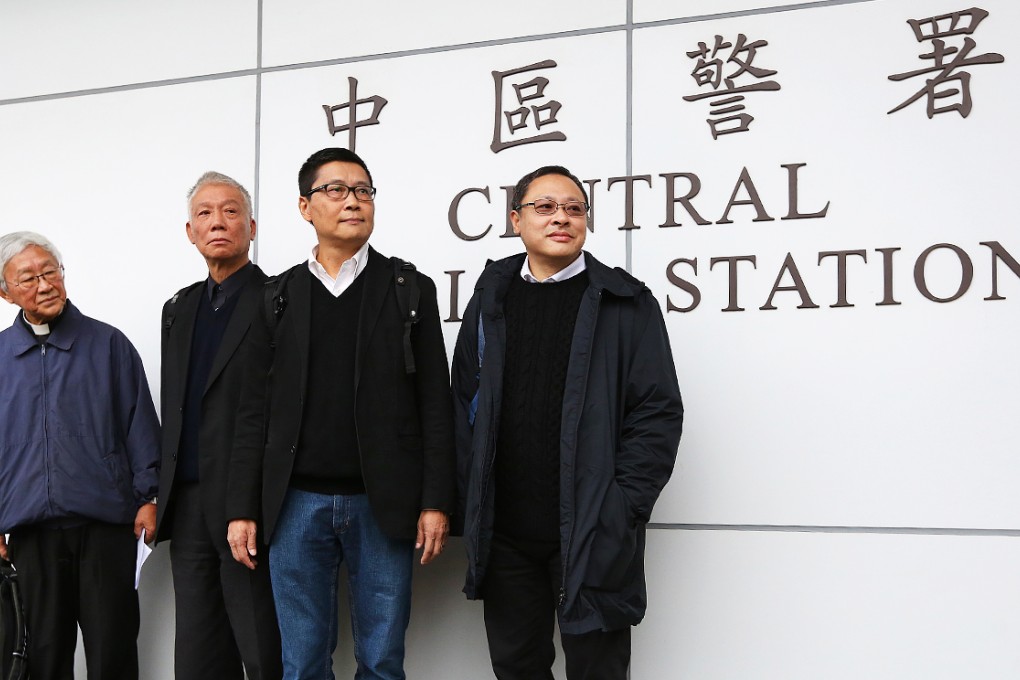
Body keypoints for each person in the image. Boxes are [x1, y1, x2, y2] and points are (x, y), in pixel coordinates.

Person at [226, 147, 455, 680]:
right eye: (336, 190)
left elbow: (434, 406)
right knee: (302, 662)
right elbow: (251, 414)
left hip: (385, 504)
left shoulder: (407, 289)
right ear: (306, 207)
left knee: (381, 659)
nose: (352, 201)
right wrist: (243, 507)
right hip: (295, 505)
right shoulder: (275, 296)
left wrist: (436, 500)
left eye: (362, 191)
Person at [452, 166, 684, 680]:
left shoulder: (626, 302)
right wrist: (471, 496)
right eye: (545, 207)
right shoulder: (492, 295)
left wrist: (623, 504)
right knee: (516, 665)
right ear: (517, 220)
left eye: (575, 209)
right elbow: (465, 397)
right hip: (507, 529)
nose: (562, 217)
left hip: (591, 526)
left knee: (597, 668)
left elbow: (657, 410)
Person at [0, 231, 160, 680]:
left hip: (107, 528)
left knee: (112, 651)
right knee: (41, 657)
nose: (44, 284)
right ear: (5, 291)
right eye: (28, 278)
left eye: (51, 272)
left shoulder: (109, 345)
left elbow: (141, 426)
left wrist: (150, 496)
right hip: (30, 535)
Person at [155, 172, 282, 680]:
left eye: (230, 212)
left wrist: (247, 502)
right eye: (204, 214)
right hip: (187, 501)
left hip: (245, 500)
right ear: (190, 231)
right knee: (198, 648)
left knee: (260, 641)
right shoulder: (179, 307)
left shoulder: (278, 298)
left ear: (251, 227)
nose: (217, 223)